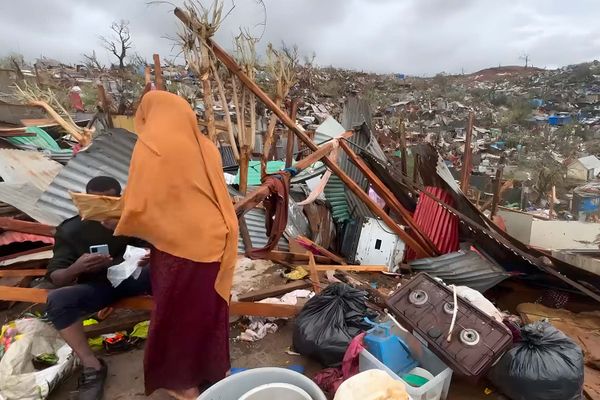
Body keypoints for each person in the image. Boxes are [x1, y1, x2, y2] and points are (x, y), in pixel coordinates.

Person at [114, 91, 238, 399]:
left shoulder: (152, 146)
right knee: (209, 310)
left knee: (176, 314)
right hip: (215, 241)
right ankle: (214, 370)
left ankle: (183, 382)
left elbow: (141, 203)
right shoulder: (206, 147)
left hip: (178, 248)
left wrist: (116, 214)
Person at [45, 176, 152, 400]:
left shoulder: (134, 220)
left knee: (173, 274)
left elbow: (160, 245)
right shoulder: (72, 229)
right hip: (98, 286)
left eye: (110, 201)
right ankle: (92, 365)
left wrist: (149, 256)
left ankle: (179, 347)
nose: (105, 207)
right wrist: (76, 268)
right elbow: (57, 277)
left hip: (138, 278)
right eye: (97, 201)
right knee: (58, 299)